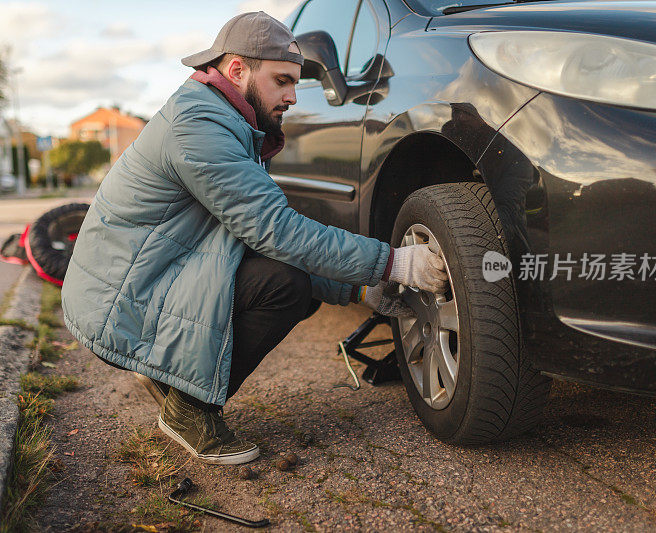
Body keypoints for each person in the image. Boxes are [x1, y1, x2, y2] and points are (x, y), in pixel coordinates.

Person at [61, 11, 447, 465]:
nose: (291, 98)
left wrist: (360, 287)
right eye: (282, 81)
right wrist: (394, 265)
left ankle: (168, 378)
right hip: (121, 301)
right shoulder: (199, 128)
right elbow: (275, 231)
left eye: (295, 84)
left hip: (145, 280)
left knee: (291, 281)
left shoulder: (226, 119)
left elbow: (258, 238)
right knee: (286, 287)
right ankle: (189, 408)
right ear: (237, 69)